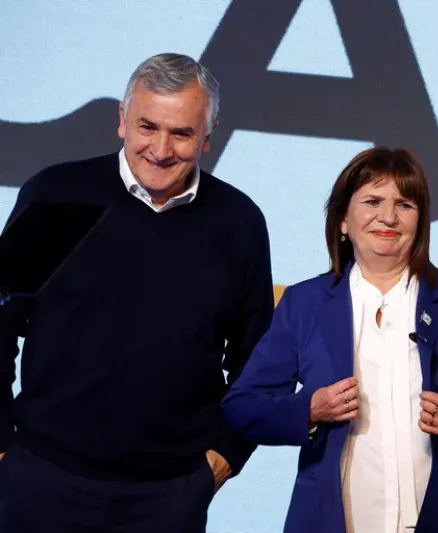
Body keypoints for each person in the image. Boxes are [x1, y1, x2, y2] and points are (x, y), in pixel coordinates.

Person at [0, 53, 274, 532]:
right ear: (122, 121)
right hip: (38, 482)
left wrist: (224, 457)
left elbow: (258, 359)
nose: (161, 149)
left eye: (182, 133)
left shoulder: (238, 223)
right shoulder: (56, 194)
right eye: (148, 126)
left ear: (207, 138)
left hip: (168, 497)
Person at [221, 146, 438, 533]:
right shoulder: (304, 303)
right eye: (372, 201)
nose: (388, 217)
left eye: (404, 204)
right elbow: (242, 406)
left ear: (420, 220)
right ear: (343, 219)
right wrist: (309, 409)